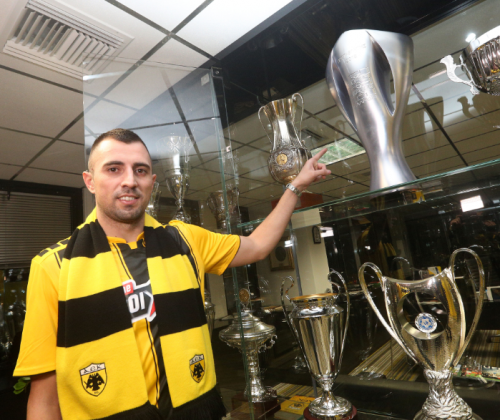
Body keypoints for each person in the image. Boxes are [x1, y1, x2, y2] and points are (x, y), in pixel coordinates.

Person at [14, 128, 330, 420]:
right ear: (90, 181)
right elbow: (44, 398)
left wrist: (295, 187)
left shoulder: (185, 240)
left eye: (140, 170)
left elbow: (258, 246)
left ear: (151, 181)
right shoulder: (53, 265)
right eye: (114, 169)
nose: (129, 180)